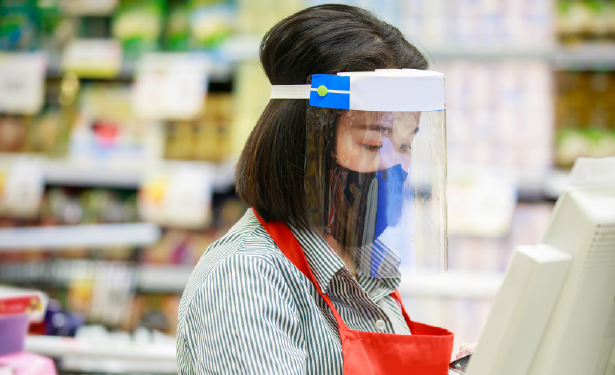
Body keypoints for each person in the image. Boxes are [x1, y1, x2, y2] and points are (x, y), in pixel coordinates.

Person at [176, 4, 453, 375]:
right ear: (303, 141)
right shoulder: (246, 277)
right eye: (373, 144)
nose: (395, 167)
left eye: (405, 146)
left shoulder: (366, 266)